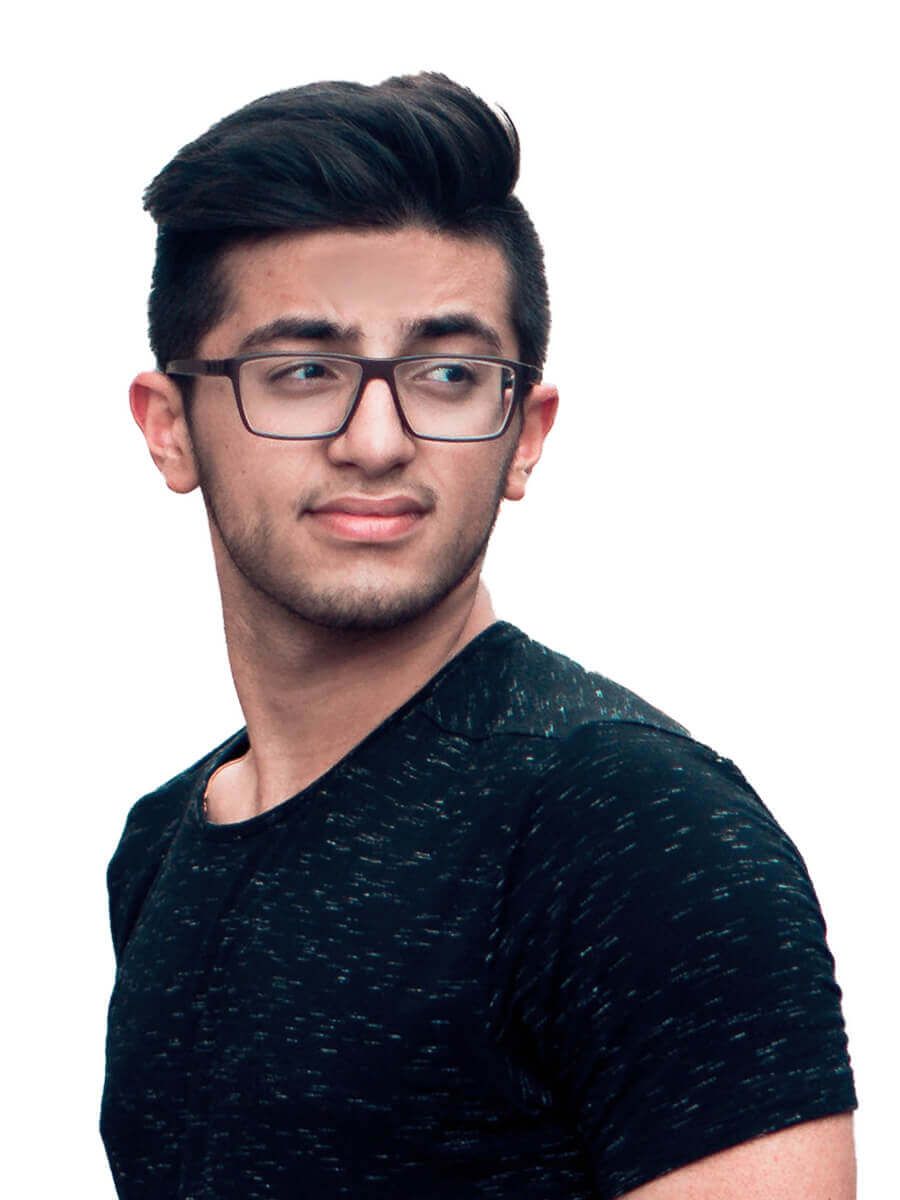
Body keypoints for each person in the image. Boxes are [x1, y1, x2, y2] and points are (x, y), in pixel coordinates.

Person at [100, 72, 857, 1199]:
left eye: (449, 374)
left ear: (524, 434)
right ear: (169, 429)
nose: (375, 441)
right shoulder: (163, 845)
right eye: (302, 372)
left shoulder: (630, 830)